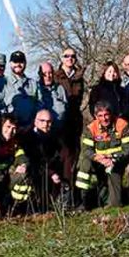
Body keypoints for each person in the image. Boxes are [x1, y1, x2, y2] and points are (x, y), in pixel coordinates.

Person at [75, 102, 129, 210]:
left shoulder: (122, 125)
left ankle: (112, 199)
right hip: (98, 161)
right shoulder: (91, 128)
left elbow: (127, 150)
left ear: (111, 114)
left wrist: (113, 159)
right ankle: (82, 200)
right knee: (84, 164)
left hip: (116, 162)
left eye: (106, 115)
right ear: (96, 116)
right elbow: (87, 150)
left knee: (116, 204)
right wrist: (99, 158)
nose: (104, 118)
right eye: (100, 116)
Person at [12, 109, 65, 212]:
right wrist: (50, 172)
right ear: (35, 121)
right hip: (31, 172)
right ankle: (19, 207)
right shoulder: (26, 136)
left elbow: (55, 158)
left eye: (49, 121)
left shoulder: (53, 137)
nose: (46, 124)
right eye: (42, 121)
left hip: (46, 173)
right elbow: (31, 160)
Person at [54, 47, 86, 188]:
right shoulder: (55, 76)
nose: (70, 59)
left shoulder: (79, 77)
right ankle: (58, 188)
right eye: (66, 56)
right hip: (59, 121)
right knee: (60, 155)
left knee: (74, 155)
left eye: (73, 56)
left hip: (75, 121)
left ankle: (70, 187)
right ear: (61, 58)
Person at [2, 50, 39, 128]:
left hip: (29, 129)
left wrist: (31, 125)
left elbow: (39, 106)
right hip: (9, 129)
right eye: (15, 62)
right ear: (10, 63)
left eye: (21, 62)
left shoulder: (33, 84)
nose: (18, 64)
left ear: (25, 63)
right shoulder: (3, 82)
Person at [37, 62, 68, 130]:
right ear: (40, 75)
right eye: (44, 74)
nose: (48, 76)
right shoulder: (36, 89)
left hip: (59, 131)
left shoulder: (60, 89)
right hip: (42, 132)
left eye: (50, 73)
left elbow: (66, 109)